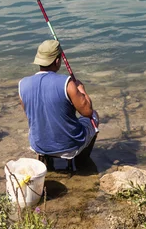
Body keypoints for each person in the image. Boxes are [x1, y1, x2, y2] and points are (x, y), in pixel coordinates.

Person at [19, 39, 98, 167]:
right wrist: (81, 89)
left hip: (38, 145)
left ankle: (46, 161)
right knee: (94, 116)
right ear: (57, 61)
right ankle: (81, 162)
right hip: (69, 147)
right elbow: (87, 112)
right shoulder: (67, 83)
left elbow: (29, 113)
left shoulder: (22, 84)